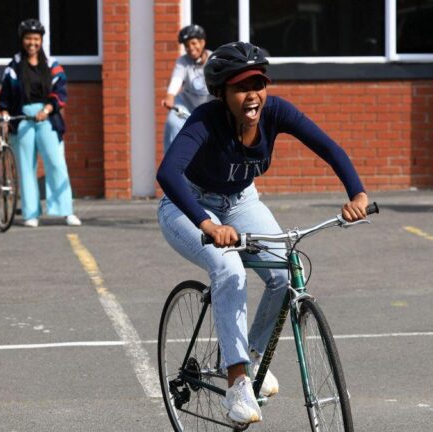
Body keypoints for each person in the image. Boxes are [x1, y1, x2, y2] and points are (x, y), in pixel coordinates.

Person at [156, 41, 369, 425]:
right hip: (188, 204)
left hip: (241, 201)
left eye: (259, 83)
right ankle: (236, 381)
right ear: (222, 94)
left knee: (283, 272)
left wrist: (357, 193)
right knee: (229, 270)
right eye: (241, 87)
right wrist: (208, 225)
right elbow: (168, 174)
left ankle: (251, 357)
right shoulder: (205, 120)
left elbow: (327, 146)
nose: (252, 94)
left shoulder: (276, 112)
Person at [0, 19, 81, 227]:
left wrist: (47, 109)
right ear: (22, 40)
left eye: (36, 39)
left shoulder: (52, 64)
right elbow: (5, 97)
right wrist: (5, 117)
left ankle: (65, 210)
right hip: (23, 120)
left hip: (48, 119)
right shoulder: (14, 66)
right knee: (26, 167)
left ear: (41, 40)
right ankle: (31, 213)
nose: (32, 43)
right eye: (28, 38)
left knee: (56, 163)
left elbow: (61, 91)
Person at [160, 24, 214, 153]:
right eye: (186, 45)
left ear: (202, 42)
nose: (190, 48)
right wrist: (170, 96)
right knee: (173, 123)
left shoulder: (214, 59)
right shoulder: (183, 61)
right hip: (186, 104)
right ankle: (170, 163)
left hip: (209, 107)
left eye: (193, 43)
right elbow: (177, 79)